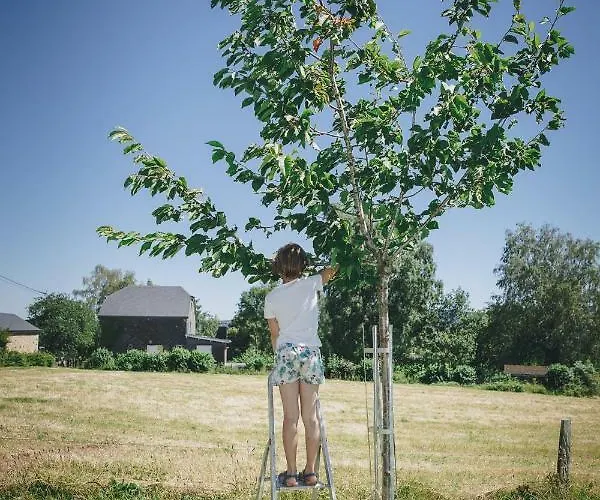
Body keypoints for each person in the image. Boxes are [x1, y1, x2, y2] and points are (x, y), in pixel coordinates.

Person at [264, 243, 336, 488]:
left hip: (286, 352)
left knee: (290, 418)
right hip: (311, 353)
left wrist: (281, 357)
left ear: (277, 268)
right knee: (311, 417)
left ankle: (292, 474)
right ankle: (311, 472)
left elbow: (275, 334)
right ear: (303, 265)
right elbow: (333, 268)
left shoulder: (272, 297)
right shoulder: (311, 284)